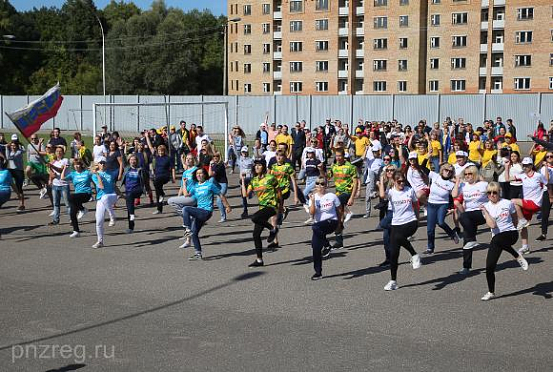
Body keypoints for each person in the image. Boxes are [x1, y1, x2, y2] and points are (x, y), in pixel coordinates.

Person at [480, 182, 528, 301]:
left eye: (495, 192)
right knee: (489, 266)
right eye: (489, 193)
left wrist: (514, 227)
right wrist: (485, 211)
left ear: (499, 192)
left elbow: (514, 218)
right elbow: (492, 225)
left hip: (510, 234)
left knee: (497, 238)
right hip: (497, 239)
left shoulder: (507, 203)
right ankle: (491, 292)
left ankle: (516, 255)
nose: (492, 195)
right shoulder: (486, 206)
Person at [380, 170, 422, 291]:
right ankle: (393, 281)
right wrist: (382, 182)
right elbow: (382, 196)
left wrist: (417, 219)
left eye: (403, 181)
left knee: (398, 237)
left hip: (410, 221)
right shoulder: (391, 192)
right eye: (399, 182)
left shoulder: (409, 190)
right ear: (394, 181)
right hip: (397, 223)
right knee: (394, 254)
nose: (402, 184)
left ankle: (414, 255)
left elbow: (416, 205)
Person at [180, 168, 232, 259]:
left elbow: (220, 195)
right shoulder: (195, 186)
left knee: (185, 209)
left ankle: (187, 229)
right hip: (199, 212)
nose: (199, 175)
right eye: (197, 174)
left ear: (205, 175)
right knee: (194, 233)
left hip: (206, 212)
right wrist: (184, 183)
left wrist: (227, 206)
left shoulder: (210, 185)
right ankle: (198, 254)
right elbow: (186, 195)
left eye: (201, 173)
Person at [243, 159, 280, 267]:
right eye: (256, 166)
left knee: (254, 217)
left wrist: (280, 206)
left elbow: (278, 193)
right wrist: (242, 181)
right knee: (255, 235)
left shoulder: (271, 178)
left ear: (263, 167)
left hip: (272, 206)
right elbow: (246, 195)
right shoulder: (254, 181)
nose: (257, 167)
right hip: (262, 208)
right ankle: (259, 260)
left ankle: (273, 229)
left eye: (259, 165)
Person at [506, 157, 547, 255]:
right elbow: (507, 179)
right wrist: (506, 167)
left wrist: (548, 197)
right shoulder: (522, 176)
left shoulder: (538, 176)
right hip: (526, 203)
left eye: (527, 165)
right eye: (523, 165)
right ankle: (525, 247)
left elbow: (547, 184)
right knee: (522, 227)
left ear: (531, 165)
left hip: (535, 203)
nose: (525, 167)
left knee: (513, 201)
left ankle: (522, 220)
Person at [453, 165, 489, 274]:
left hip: (482, 213)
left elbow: (495, 194)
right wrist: (458, 180)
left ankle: (473, 239)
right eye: (466, 174)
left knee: (463, 216)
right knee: (467, 240)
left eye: (470, 174)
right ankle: (466, 267)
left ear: (475, 174)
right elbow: (454, 195)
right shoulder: (464, 186)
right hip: (469, 215)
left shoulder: (483, 185)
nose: (468, 176)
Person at [308, 177, 342, 280]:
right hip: (319, 225)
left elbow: (340, 209)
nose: (319, 186)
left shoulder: (332, 196)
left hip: (331, 221)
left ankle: (327, 245)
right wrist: (313, 202)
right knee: (315, 247)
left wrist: (339, 224)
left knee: (315, 227)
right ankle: (318, 272)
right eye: (317, 183)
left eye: (322, 184)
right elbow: (312, 214)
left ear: (326, 185)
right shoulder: (313, 197)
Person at [424, 164, 459, 255]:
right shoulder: (435, 176)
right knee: (430, 229)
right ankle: (430, 248)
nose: (448, 172)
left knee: (441, 222)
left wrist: (457, 182)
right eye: (446, 170)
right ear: (442, 170)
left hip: (442, 204)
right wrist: (427, 158)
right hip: (431, 204)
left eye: (450, 171)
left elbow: (453, 196)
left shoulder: (451, 184)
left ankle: (452, 234)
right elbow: (422, 168)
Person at [327, 149, 357, 248]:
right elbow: (326, 177)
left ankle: (338, 229)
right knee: (339, 219)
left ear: (344, 156)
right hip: (338, 193)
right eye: (337, 156)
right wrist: (321, 170)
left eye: (340, 156)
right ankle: (339, 241)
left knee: (334, 212)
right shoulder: (334, 167)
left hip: (346, 193)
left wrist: (352, 197)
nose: (338, 158)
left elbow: (355, 182)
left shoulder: (350, 167)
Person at [61, 159, 93, 238]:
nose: (76, 166)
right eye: (75, 164)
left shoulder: (87, 173)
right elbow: (62, 178)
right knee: (72, 213)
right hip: (77, 196)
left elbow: (95, 181)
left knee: (70, 197)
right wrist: (64, 168)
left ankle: (82, 209)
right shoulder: (73, 174)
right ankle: (76, 231)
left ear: (81, 165)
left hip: (86, 194)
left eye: (78, 164)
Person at [91, 158, 117, 248]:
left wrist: (122, 195)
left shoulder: (111, 173)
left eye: (104, 163)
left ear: (106, 164)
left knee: (105, 197)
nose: (102, 164)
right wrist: (97, 174)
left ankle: (112, 216)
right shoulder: (94, 175)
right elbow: (101, 186)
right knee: (99, 221)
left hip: (112, 196)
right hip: (101, 199)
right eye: (100, 163)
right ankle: (100, 241)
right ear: (97, 164)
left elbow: (114, 185)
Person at [146, 135, 176, 215]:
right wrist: (147, 137)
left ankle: (162, 194)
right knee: (157, 192)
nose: (160, 152)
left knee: (156, 184)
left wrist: (173, 177)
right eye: (159, 151)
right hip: (157, 177)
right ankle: (159, 209)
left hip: (165, 176)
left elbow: (173, 168)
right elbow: (150, 147)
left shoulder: (168, 158)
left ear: (164, 151)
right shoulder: (156, 157)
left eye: (162, 151)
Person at [377, 164, 398, 267]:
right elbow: (383, 196)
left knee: (383, 224)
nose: (389, 172)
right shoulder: (386, 183)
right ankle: (389, 259)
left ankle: (398, 232)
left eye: (392, 170)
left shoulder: (398, 182)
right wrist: (381, 182)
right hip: (389, 211)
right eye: (387, 170)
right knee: (386, 237)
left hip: (397, 212)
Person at [121, 154, 146, 233]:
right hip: (128, 191)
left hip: (138, 190)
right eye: (131, 160)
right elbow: (123, 160)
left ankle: (132, 215)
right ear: (129, 161)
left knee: (130, 195)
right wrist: (121, 149)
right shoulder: (127, 169)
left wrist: (148, 190)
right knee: (129, 209)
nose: (133, 161)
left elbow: (145, 181)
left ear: (137, 161)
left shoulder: (139, 169)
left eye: (134, 160)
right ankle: (131, 227)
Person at [47, 146, 70, 225]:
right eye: (57, 151)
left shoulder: (65, 160)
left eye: (60, 151)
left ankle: (72, 220)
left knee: (68, 204)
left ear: (63, 153)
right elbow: (52, 173)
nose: (59, 153)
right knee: (56, 204)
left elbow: (60, 170)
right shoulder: (53, 162)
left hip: (64, 185)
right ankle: (55, 220)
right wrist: (50, 179)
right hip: (55, 185)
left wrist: (52, 166)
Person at [6, 138, 25, 211]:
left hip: (18, 171)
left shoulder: (19, 152)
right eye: (11, 146)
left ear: (17, 146)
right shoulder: (10, 151)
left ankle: (21, 204)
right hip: (11, 170)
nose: (12, 147)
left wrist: (6, 148)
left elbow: (9, 158)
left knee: (19, 188)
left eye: (14, 146)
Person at [209, 152, 229, 222]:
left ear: (219, 157)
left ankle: (223, 217)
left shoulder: (220, 165)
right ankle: (209, 196)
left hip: (223, 184)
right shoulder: (214, 165)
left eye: (217, 156)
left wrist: (210, 165)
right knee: (210, 180)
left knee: (219, 201)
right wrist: (211, 165)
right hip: (217, 184)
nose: (215, 157)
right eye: (213, 156)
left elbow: (210, 174)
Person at [537, 151, 553, 240]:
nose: (550, 158)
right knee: (545, 213)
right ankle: (543, 234)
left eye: (551, 156)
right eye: (548, 157)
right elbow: (546, 181)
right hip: (548, 190)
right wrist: (546, 168)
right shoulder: (543, 169)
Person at [238, 146, 254, 219]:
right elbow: (235, 150)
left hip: (249, 178)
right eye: (242, 152)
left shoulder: (250, 160)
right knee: (243, 196)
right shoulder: (239, 159)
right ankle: (245, 210)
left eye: (245, 152)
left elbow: (253, 168)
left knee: (247, 194)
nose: (244, 153)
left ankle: (250, 193)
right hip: (243, 180)